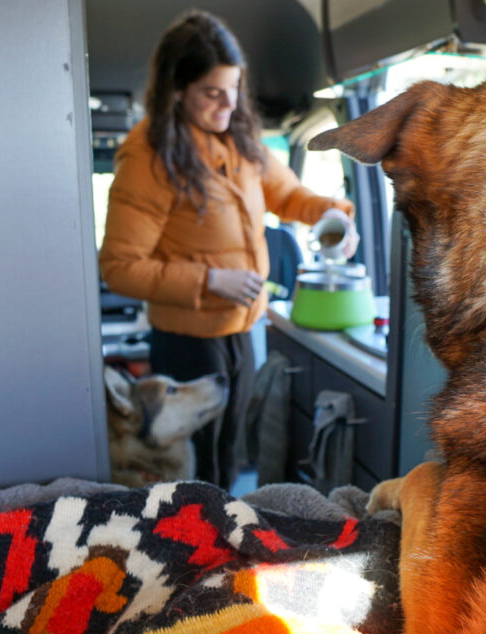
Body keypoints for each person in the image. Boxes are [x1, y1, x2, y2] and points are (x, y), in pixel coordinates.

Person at [99, 10, 355, 490]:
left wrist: (334, 214)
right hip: (187, 343)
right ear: (177, 89)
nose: (228, 103)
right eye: (211, 93)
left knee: (229, 459)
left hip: (240, 333)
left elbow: (290, 196)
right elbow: (119, 267)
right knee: (193, 475)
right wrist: (210, 280)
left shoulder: (240, 139)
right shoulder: (148, 155)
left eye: (234, 88)